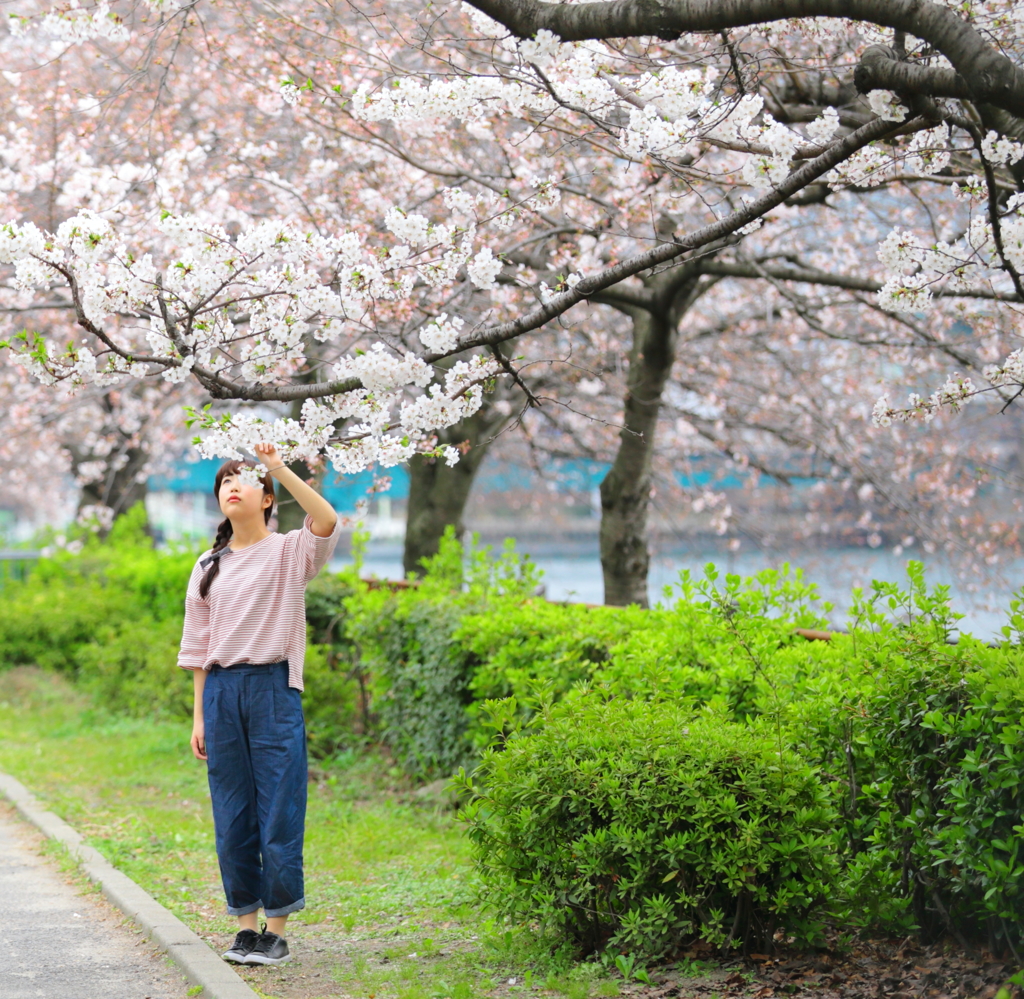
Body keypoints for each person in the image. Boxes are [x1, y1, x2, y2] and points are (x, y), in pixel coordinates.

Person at [177, 443, 339, 966]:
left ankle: (277, 931)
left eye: (242, 479)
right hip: (222, 694)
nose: (231, 486)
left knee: (280, 811)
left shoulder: (292, 551)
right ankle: (245, 927)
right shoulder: (207, 565)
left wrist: (275, 466)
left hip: (274, 689)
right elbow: (198, 647)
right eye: (223, 481)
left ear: (267, 498)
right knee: (232, 813)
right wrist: (199, 715)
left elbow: (328, 518)